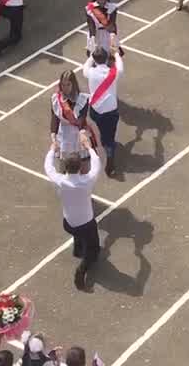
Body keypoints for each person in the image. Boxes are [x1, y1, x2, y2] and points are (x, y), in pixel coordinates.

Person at [44, 131, 103, 290]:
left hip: (68, 222)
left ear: (66, 168)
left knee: (78, 235)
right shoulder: (87, 180)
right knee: (93, 251)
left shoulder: (60, 180)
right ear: (79, 168)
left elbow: (48, 167)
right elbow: (96, 162)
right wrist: (88, 146)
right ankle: (81, 270)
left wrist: (53, 149)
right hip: (86, 223)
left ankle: (77, 250)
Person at [83, 45, 124, 177]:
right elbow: (120, 67)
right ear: (107, 59)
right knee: (109, 138)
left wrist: (91, 55)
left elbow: (87, 64)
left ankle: (102, 145)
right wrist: (116, 54)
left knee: (99, 132)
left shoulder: (90, 72)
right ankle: (110, 157)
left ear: (95, 59)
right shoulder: (114, 73)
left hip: (95, 110)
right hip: (110, 111)